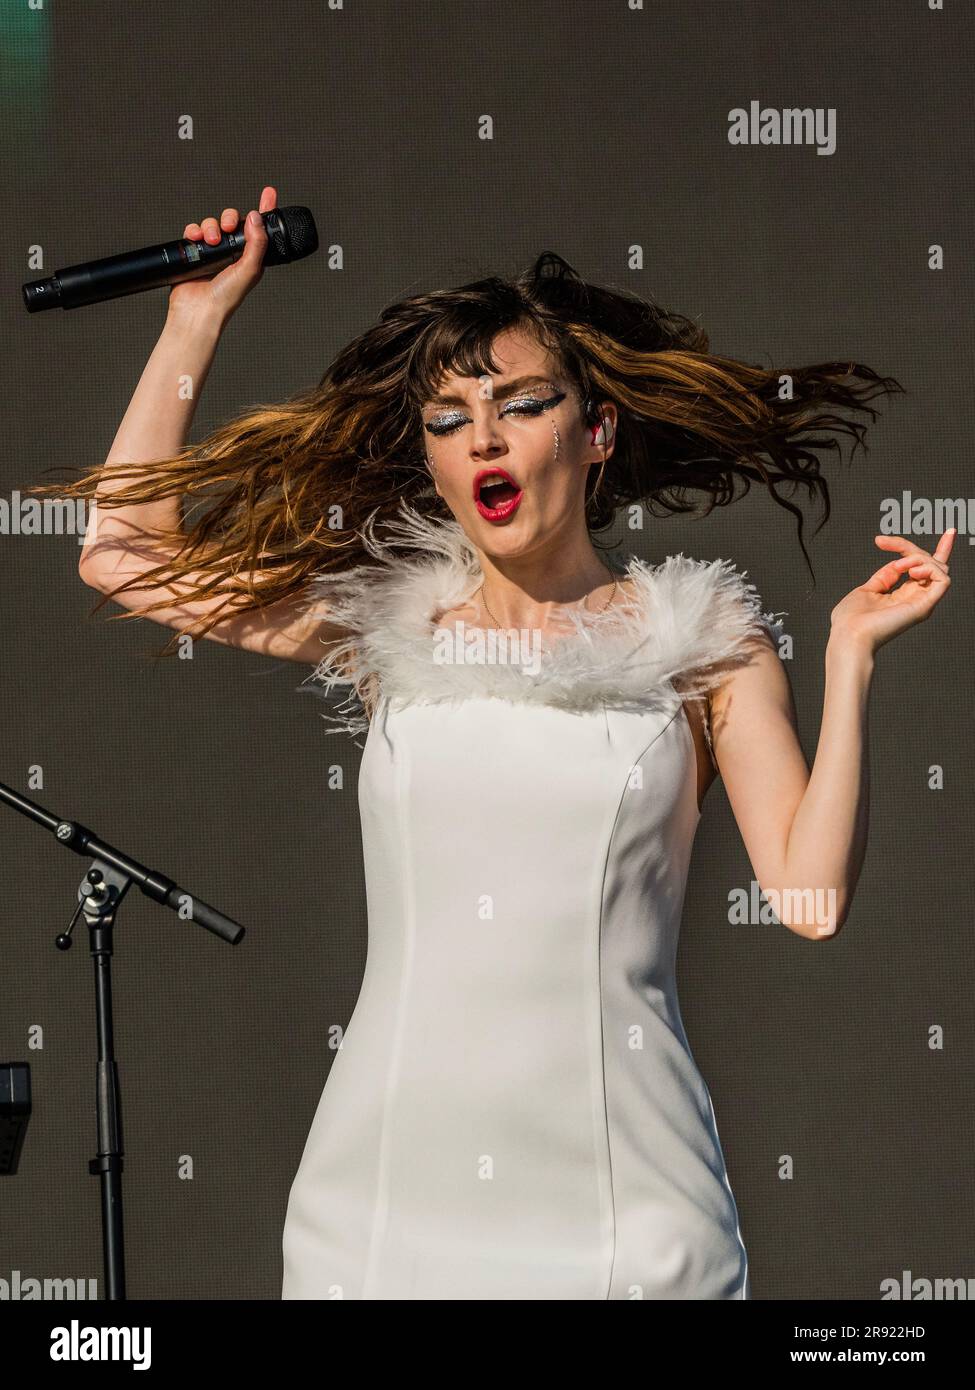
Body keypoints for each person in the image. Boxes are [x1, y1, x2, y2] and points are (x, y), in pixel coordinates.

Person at [39, 186, 953, 1300]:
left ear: (595, 430)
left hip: (630, 1214)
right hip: (386, 1209)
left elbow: (808, 900)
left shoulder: (707, 643)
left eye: (521, 403)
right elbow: (123, 556)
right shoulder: (386, 624)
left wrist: (850, 657)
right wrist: (193, 321)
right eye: (447, 418)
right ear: (431, 459)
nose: (483, 435)